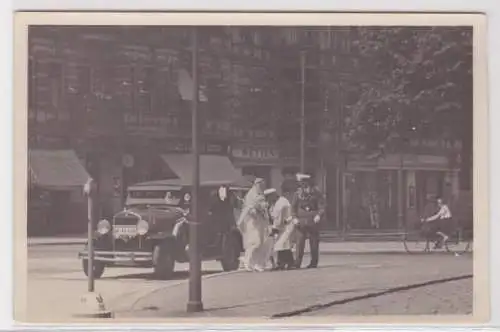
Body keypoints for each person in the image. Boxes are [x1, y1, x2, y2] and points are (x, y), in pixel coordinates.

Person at [292, 173, 325, 269]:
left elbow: (321, 206)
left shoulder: (316, 193)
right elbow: (293, 207)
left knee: (314, 243)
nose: (303, 186)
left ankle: (313, 262)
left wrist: (319, 215)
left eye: (305, 183)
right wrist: (294, 217)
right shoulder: (297, 194)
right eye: (301, 184)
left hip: (312, 221)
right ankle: (297, 263)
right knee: (299, 243)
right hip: (300, 221)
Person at [236, 178, 270, 272]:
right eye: (259, 184)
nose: (261, 186)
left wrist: (263, 209)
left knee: (262, 243)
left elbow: (263, 206)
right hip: (252, 222)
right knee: (255, 242)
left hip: (260, 222)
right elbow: (249, 208)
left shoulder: (261, 194)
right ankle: (247, 261)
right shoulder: (251, 195)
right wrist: (255, 211)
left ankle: (257, 263)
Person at [264, 188, 296, 270]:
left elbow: (278, 220)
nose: (268, 200)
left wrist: (274, 230)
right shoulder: (275, 203)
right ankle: (283, 263)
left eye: (268, 197)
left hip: (286, 226)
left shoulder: (281, 204)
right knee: (281, 245)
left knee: (282, 244)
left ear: (273, 195)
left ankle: (288, 263)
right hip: (282, 226)